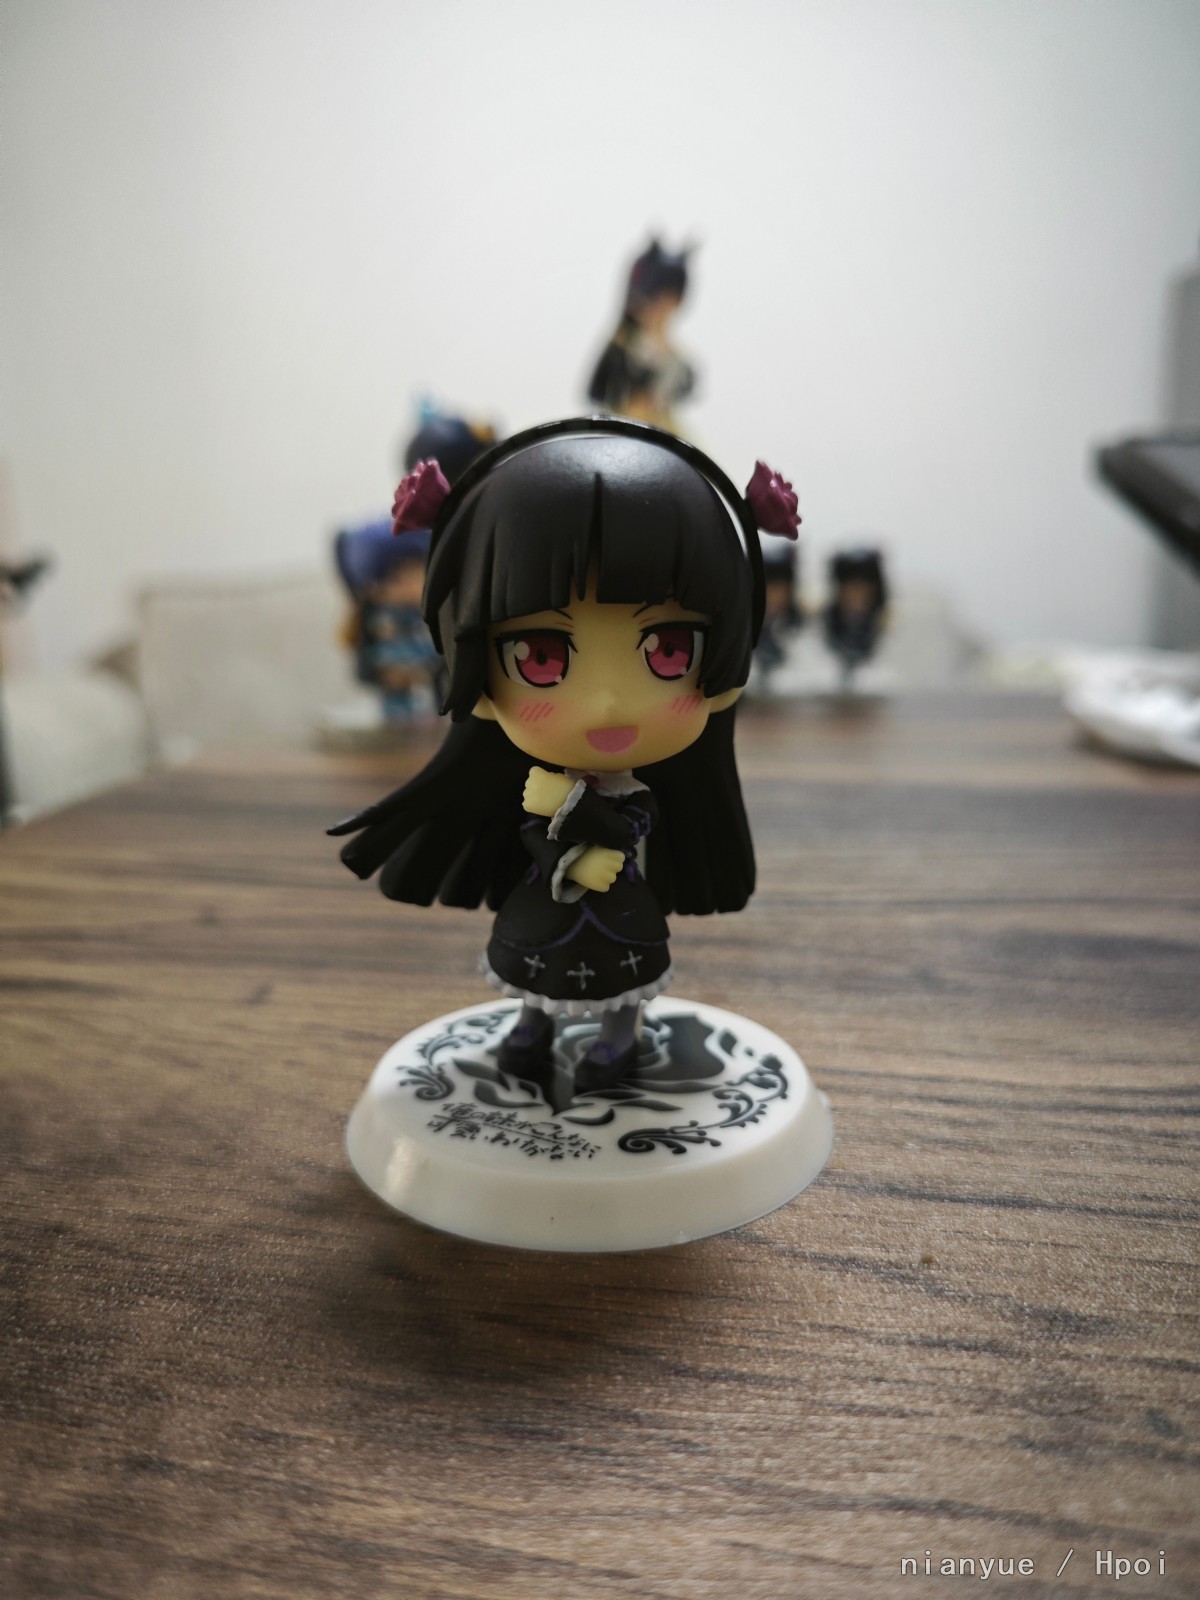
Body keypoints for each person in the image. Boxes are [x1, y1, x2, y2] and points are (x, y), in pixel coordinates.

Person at [329, 418, 799, 1095]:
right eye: (542, 658)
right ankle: (531, 1028)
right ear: (477, 678)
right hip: (546, 900)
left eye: (669, 651)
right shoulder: (530, 782)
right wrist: (560, 843)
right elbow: (535, 830)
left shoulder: (632, 793)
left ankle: (618, 1038)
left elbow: (634, 822)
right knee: (535, 974)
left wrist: (583, 818)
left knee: (625, 985)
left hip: (621, 904)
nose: (607, 703)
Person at [587, 240, 696, 433]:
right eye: (657, 300)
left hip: (661, 427)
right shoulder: (621, 347)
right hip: (622, 425)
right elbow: (597, 389)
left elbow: (686, 384)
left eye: (670, 300)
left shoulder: (675, 356)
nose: (662, 308)